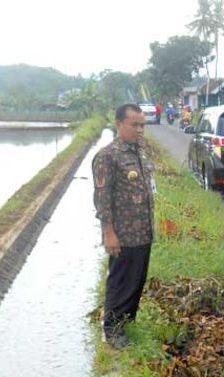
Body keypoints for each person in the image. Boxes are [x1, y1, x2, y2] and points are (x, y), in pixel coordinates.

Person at [92, 103, 156, 349]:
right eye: (134, 125)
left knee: (137, 280)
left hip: (144, 231)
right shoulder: (108, 156)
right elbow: (102, 199)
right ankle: (112, 330)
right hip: (122, 234)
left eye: (142, 125)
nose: (140, 130)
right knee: (120, 283)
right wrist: (109, 233)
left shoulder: (140, 150)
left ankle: (126, 324)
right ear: (119, 124)